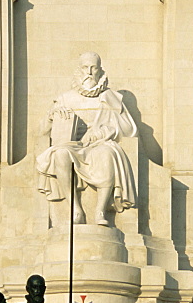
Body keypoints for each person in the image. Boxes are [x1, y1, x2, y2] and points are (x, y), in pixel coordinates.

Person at [36, 52, 137, 225]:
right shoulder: (65, 98)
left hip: (100, 144)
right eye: (85, 67)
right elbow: (41, 133)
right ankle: (75, 208)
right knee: (60, 154)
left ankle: (100, 211)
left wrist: (103, 132)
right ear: (79, 70)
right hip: (72, 145)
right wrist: (52, 116)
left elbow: (130, 130)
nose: (89, 72)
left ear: (100, 70)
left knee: (107, 155)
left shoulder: (111, 97)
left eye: (93, 67)